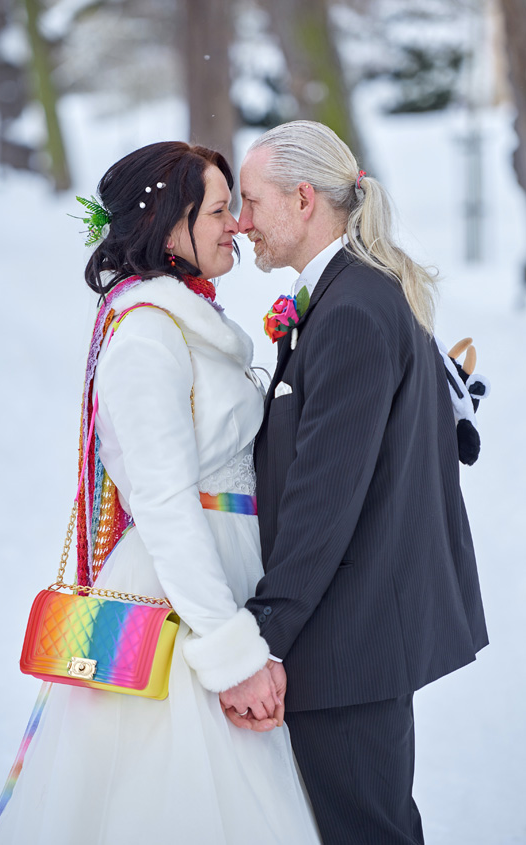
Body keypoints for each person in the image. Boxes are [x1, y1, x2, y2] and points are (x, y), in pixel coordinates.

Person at [0, 142, 320, 845]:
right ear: (169, 226)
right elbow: (163, 502)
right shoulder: (145, 337)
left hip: (224, 579)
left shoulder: (187, 326)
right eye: (221, 209)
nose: (237, 224)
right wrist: (230, 652)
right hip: (180, 604)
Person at [220, 121, 489, 844]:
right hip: (350, 625)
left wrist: (264, 633)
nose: (240, 224)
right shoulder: (349, 295)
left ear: (302, 200)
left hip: (350, 639)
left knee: (366, 830)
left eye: (249, 202)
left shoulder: (352, 309)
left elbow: (324, 495)